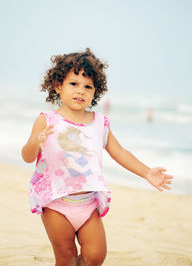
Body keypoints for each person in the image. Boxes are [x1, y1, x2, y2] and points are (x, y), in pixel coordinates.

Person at [21, 48, 173, 266]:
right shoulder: (47, 120)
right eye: (73, 84)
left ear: (95, 92)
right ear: (57, 86)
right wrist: (37, 142)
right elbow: (27, 156)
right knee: (66, 257)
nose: (80, 90)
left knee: (95, 256)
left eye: (88, 86)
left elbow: (119, 152)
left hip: (88, 203)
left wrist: (146, 172)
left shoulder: (99, 123)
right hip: (55, 202)